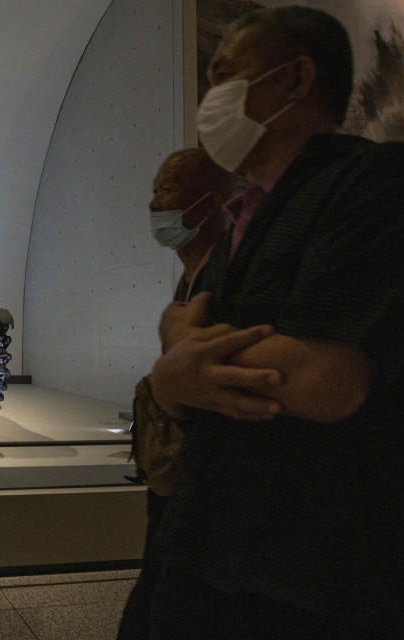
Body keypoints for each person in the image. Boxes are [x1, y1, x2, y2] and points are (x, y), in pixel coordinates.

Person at [146, 6, 404, 639]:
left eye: (226, 73)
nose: (212, 93)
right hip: (207, 558)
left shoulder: (381, 181)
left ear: (296, 77)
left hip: (325, 579)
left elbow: (324, 378)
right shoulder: (243, 222)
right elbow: (183, 397)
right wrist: (179, 375)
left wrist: (179, 359)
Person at [116, 148, 232, 640]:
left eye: (165, 190)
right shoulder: (191, 277)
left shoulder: (223, 276)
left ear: (211, 201)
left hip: (205, 493)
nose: (153, 206)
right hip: (176, 487)